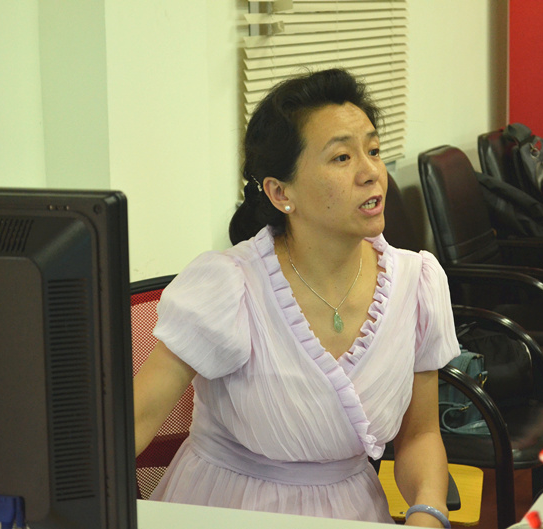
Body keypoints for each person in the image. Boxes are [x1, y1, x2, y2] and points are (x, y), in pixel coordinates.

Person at [133, 68, 460, 527]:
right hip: (227, 508)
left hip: (352, 510)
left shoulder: (417, 282)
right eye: (342, 157)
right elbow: (135, 421)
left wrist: (429, 510)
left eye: (373, 150)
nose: (371, 173)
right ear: (280, 192)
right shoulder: (229, 286)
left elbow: (420, 435)